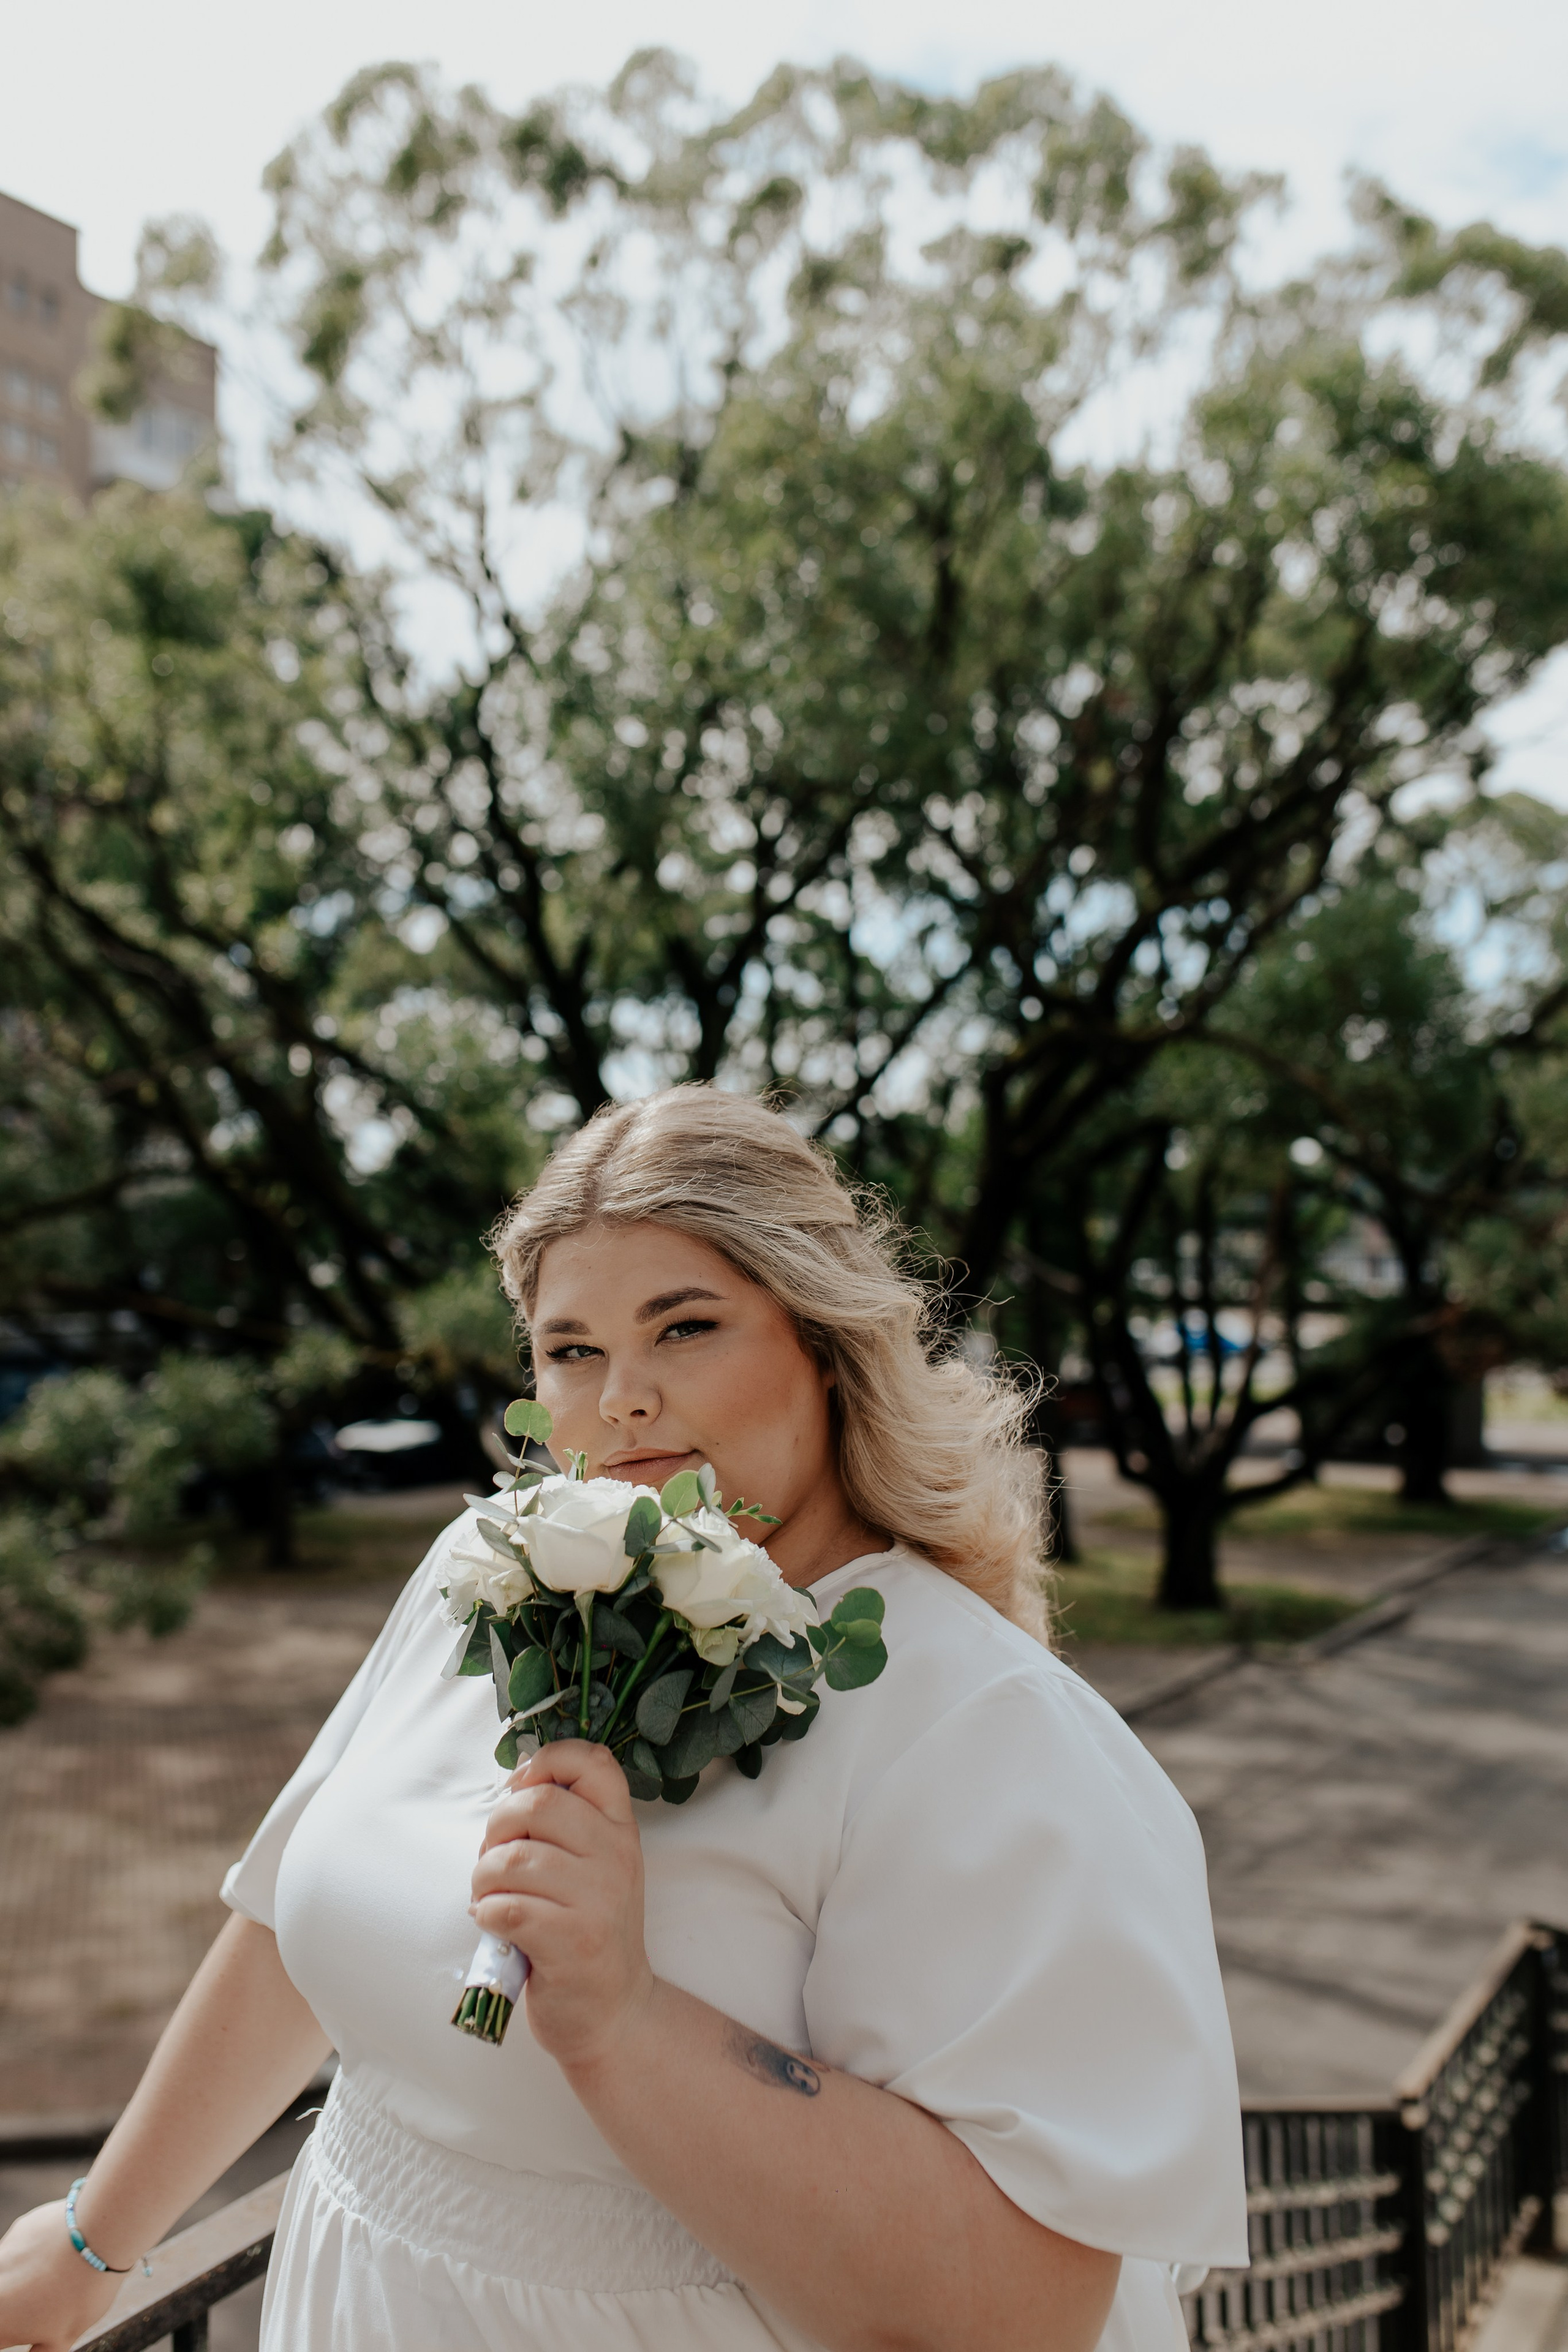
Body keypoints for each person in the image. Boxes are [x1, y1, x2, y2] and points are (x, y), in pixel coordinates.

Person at [0, 1087, 1248, 2352]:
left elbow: (1023, 2313)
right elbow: (287, 1925)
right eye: (572, 1349)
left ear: (821, 1340)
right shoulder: (480, 1572)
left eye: (685, 1326)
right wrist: (96, 2244)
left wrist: (628, 2022)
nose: (623, 1400)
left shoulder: (978, 1724)